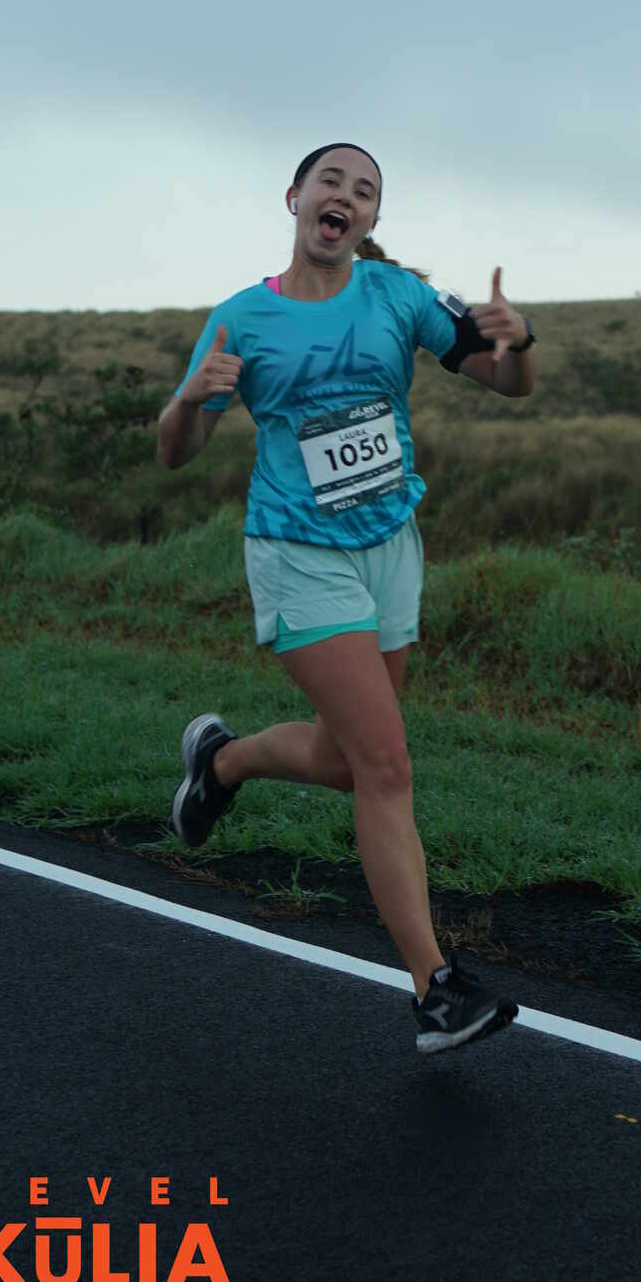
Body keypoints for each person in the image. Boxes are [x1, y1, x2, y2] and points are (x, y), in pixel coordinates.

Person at [157, 142, 538, 1053]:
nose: (345, 197)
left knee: (345, 762)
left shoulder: (399, 296)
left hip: (389, 549)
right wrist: (189, 401)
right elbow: (175, 451)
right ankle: (435, 989)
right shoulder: (240, 320)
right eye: (331, 181)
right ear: (294, 198)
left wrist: (518, 344)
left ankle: (222, 763)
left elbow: (507, 383)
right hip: (297, 555)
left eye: (364, 191)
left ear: (369, 221)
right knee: (386, 765)